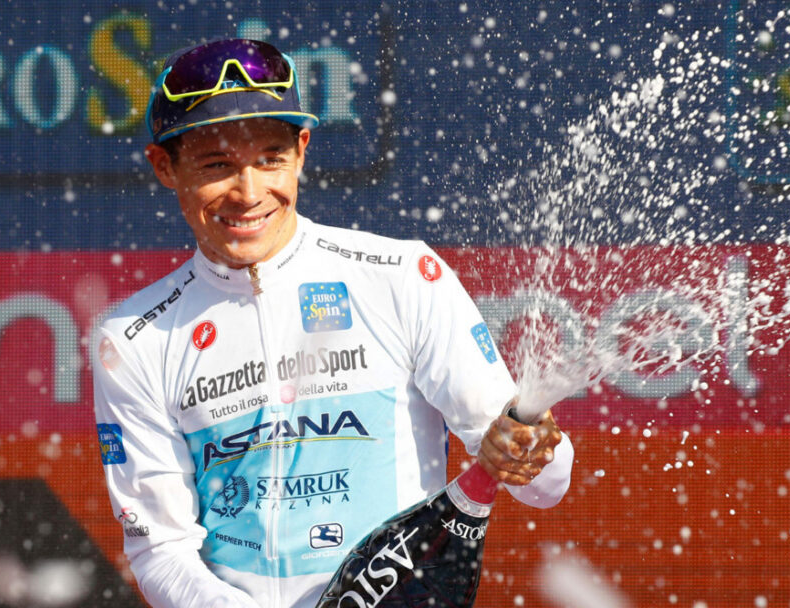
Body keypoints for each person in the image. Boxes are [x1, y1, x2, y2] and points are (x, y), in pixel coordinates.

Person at [92, 38, 574, 608]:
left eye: (270, 159)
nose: (249, 194)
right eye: (217, 165)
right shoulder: (133, 339)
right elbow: (160, 551)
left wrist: (536, 453)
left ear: (301, 152)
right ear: (164, 166)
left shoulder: (401, 277)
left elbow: (546, 487)